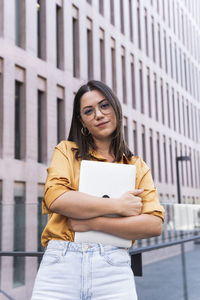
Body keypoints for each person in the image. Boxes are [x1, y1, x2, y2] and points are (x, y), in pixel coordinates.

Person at [31, 80, 164, 300]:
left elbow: (154, 224)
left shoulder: (136, 165)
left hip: (113, 268)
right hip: (60, 266)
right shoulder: (66, 151)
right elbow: (56, 198)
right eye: (88, 111)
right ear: (82, 121)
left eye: (104, 106)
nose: (99, 115)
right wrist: (118, 205)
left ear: (115, 108)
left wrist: (93, 223)